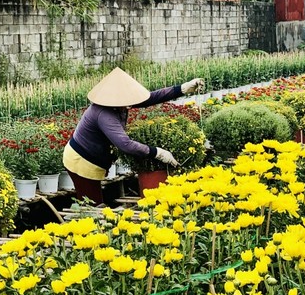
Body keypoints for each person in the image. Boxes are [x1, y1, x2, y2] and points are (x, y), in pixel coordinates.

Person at [63, 67, 205, 204]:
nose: (130, 104)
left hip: (94, 157)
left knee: (94, 200)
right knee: (92, 203)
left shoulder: (119, 103)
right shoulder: (103, 113)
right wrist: (157, 153)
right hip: (81, 160)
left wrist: (182, 88)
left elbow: (151, 97)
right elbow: (125, 144)